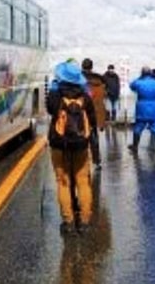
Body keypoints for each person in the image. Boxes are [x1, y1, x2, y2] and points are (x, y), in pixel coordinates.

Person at [47, 60, 98, 234]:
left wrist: (54, 89)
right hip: (81, 145)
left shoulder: (56, 94)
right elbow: (92, 119)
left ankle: (68, 222)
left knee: (63, 182)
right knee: (83, 181)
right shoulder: (85, 96)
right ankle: (84, 222)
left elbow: (50, 110)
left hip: (59, 144)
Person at [128, 67, 155, 155]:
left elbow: (131, 86)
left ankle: (135, 146)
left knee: (138, 127)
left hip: (142, 107)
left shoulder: (139, 82)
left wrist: (139, 77)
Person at [80, 59, 109, 170]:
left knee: (80, 138)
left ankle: (81, 162)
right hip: (93, 115)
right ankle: (97, 162)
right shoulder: (99, 81)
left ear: (82, 66)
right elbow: (101, 101)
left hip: (80, 113)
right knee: (93, 138)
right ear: (91, 67)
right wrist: (101, 121)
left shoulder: (78, 79)